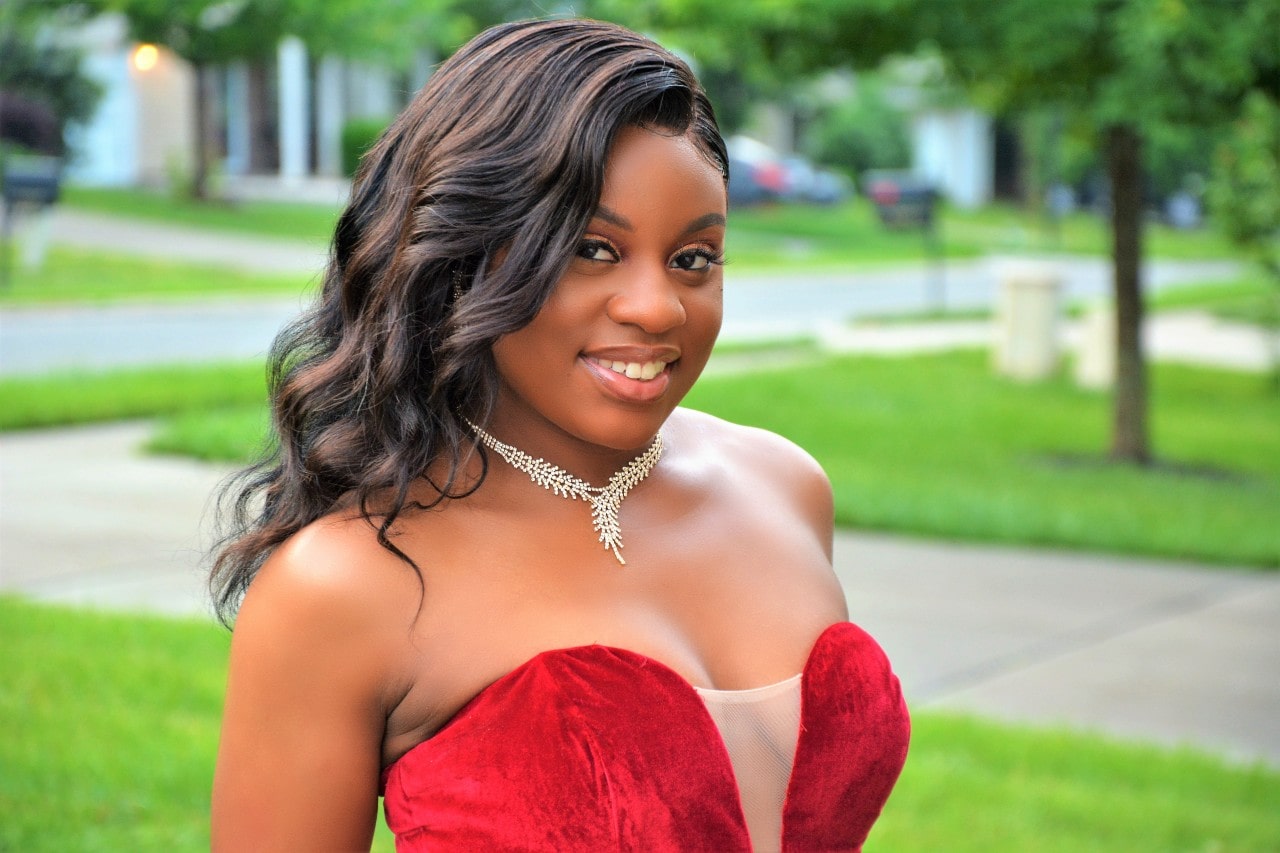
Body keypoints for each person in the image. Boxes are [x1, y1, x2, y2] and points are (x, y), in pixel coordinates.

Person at [209, 18, 909, 852]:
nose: (657, 307)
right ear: (464, 252)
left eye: (694, 257)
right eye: (592, 249)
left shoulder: (785, 485)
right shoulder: (347, 584)